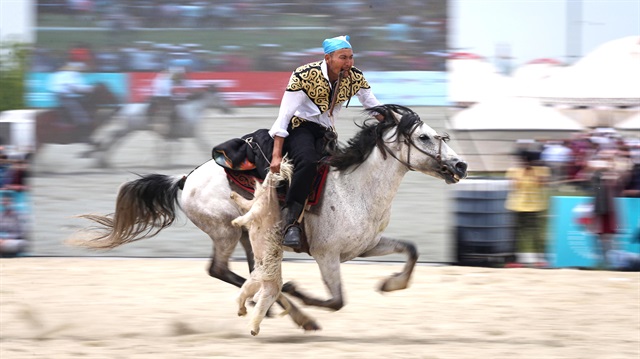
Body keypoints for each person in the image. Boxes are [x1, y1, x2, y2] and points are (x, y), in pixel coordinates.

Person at [268, 35, 382, 249]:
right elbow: (284, 116)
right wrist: (276, 154)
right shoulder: (303, 75)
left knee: (344, 169)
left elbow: (372, 105)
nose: (348, 62)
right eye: (343, 57)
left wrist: (398, 121)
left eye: (351, 57)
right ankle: (290, 224)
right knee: (309, 162)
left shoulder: (355, 77)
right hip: (300, 126)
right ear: (328, 58)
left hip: (327, 132)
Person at [504, 150, 551, 268]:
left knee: (536, 234)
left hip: (535, 205)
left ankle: (540, 259)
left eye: (525, 160)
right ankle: (513, 260)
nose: (523, 162)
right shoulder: (515, 171)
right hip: (518, 205)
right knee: (515, 234)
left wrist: (534, 171)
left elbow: (543, 183)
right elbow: (514, 186)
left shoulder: (541, 171)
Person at [48, 62, 95, 127]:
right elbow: (74, 87)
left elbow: (79, 86)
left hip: (71, 94)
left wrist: (88, 88)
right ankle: (82, 122)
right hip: (63, 95)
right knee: (76, 108)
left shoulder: (74, 74)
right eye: (82, 69)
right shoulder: (67, 74)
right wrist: (90, 89)